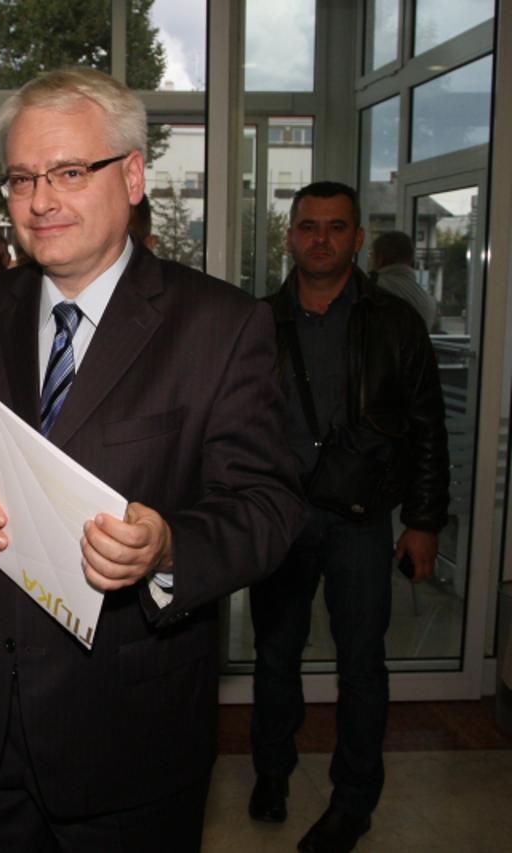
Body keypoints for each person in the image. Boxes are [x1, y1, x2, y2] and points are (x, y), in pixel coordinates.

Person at [0, 68, 305, 851]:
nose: (41, 199)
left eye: (70, 172)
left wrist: (170, 544)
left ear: (134, 174)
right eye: (21, 178)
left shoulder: (219, 324)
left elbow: (270, 505)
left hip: (130, 739)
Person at [249, 182, 448, 853]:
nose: (321, 239)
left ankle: (353, 801)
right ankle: (271, 771)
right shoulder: (258, 323)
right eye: (308, 226)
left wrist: (423, 520)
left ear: (359, 238)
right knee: (274, 654)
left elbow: (428, 428)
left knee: (362, 664)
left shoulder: (395, 323)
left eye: (336, 227)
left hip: (362, 521)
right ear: (290, 236)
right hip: (281, 516)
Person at [369, 229, 437, 331]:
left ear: (380, 258)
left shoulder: (372, 288)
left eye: (371, 255)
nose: (370, 261)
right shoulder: (428, 301)